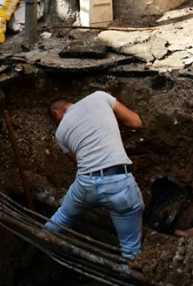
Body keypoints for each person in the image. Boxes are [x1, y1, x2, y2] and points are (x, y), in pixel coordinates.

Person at [45, 91, 145, 260]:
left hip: (86, 184)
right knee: (130, 248)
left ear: (56, 113)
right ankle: (126, 275)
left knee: (62, 217)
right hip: (119, 183)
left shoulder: (60, 133)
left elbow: (78, 162)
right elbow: (136, 122)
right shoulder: (100, 97)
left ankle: (39, 243)